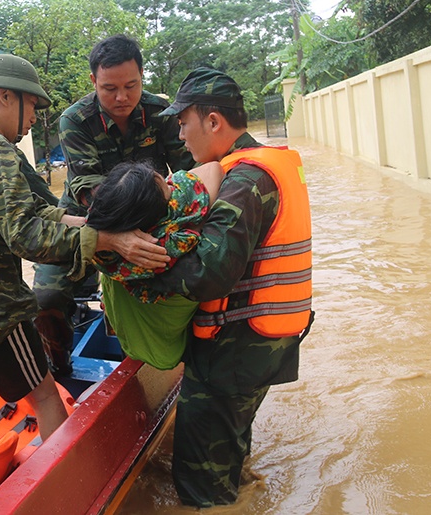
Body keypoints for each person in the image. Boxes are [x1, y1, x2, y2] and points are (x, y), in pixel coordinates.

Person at [0, 54, 169, 515]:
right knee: (45, 393)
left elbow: (38, 208)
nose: (32, 122)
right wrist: (108, 239)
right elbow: (26, 235)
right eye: (31, 108)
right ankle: (72, 493)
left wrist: (86, 222)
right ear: (7, 96)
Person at [135, 67, 314, 507]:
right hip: (260, 341)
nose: (180, 133)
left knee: (201, 485)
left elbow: (206, 273)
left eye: (184, 122)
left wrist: (137, 269)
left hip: (234, 349)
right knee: (228, 446)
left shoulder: (246, 179)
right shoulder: (266, 164)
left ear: (213, 122)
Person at [32, 34, 195, 375]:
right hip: (87, 222)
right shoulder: (75, 120)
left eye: (131, 86)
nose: (122, 97)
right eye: (109, 89)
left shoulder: (161, 114)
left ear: (142, 77)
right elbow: (86, 185)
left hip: (154, 219)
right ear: (94, 81)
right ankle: (57, 368)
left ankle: (166, 359)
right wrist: (118, 237)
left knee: (193, 277)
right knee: (45, 299)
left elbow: (186, 174)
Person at [85, 159, 224, 370]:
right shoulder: (177, 237)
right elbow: (213, 168)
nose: (172, 186)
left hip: (129, 338)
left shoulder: (103, 248)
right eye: (168, 187)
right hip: (165, 353)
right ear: (164, 211)